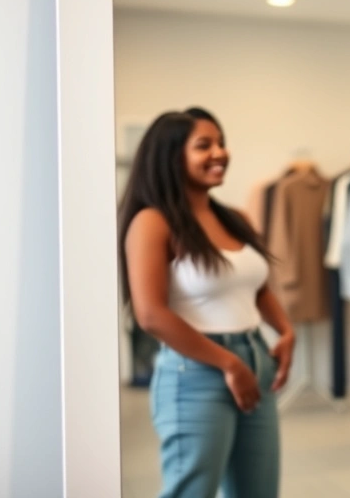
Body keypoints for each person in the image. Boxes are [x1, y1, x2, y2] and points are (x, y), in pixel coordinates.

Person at [118, 107, 295, 498]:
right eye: (204, 145)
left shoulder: (235, 217)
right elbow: (151, 315)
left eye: (221, 143)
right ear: (171, 156)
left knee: (259, 491)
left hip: (255, 360)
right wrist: (229, 363)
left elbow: (257, 286)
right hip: (194, 372)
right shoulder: (153, 222)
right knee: (192, 491)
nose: (219, 152)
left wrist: (285, 330)